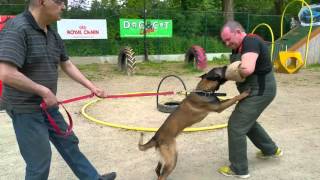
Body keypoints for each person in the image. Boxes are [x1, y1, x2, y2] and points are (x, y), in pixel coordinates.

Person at [0, 0, 116, 180]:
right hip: (25, 109)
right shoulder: (17, 28)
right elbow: (6, 73)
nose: (63, 6)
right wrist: (44, 91)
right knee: (39, 162)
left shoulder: (52, 34)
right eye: (59, 1)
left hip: (47, 106)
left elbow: (67, 64)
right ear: (42, 2)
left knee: (69, 143)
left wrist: (93, 87)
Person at [217, 20, 283, 178]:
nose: (226, 43)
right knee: (248, 121)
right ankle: (270, 150)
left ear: (238, 32)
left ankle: (239, 169)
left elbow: (246, 69)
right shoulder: (239, 47)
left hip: (260, 90)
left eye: (228, 39)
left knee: (236, 124)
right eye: (224, 41)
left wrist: (226, 73)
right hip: (253, 90)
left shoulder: (251, 41)